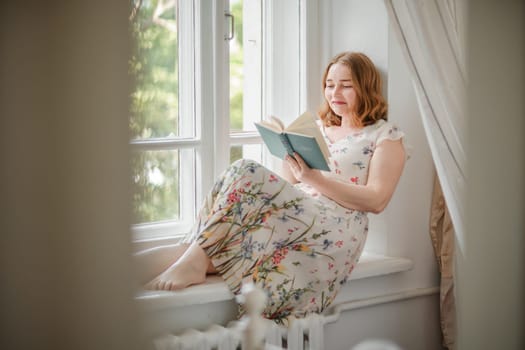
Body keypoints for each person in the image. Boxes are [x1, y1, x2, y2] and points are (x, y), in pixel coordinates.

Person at [136, 52, 408, 325]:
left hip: (335, 226)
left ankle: (193, 261)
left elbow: (377, 200)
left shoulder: (384, 135)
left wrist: (315, 179)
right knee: (204, 244)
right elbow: (288, 185)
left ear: (366, 87)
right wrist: (288, 153)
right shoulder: (317, 129)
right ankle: (109, 276)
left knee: (244, 168)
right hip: (296, 215)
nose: (335, 92)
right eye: (329, 84)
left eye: (346, 85)